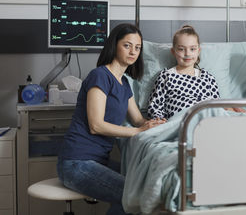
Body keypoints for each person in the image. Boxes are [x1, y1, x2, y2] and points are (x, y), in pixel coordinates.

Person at [57, 23, 166, 215]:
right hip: (77, 162)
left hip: (99, 162)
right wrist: (138, 131)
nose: (133, 51)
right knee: (136, 195)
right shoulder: (100, 76)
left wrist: (156, 124)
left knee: (143, 186)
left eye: (138, 47)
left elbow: (138, 120)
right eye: (127, 45)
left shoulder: (124, 84)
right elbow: (96, 125)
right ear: (114, 45)